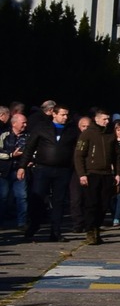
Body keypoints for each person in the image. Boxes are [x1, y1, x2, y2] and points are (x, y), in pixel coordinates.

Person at [24, 103, 76, 242]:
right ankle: (34, 225)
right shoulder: (42, 127)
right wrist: (22, 166)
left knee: (58, 202)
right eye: (62, 114)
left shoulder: (71, 130)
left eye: (67, 115)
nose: (65, 117)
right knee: (38, 199)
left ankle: (56, 231)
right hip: (43, 168)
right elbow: (29, 147)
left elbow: (76, 150)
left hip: (63, 170)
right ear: (54, 114)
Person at [74, 108, 118, 245]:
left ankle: (97, 228)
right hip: (91, 173)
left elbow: (116, 156)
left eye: (108, 119)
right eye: (104, 119)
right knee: (91, 204)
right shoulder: (87, 134)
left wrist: (117, 173)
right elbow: (79, 155)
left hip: (106, 174)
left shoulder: (110, 134)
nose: (107, 121)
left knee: (104, 204)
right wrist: (82, 174)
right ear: (97, 119)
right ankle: (90, 231)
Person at [2, 110, 28, 233]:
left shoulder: (28, 136)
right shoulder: (4, 135)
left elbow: (33, 151)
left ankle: (22, 223)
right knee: (3, 197)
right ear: (14, 123)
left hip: (20, 170)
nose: (25, 125)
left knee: (21, 196)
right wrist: (11, 155)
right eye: (23, 123)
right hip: (4, 170)